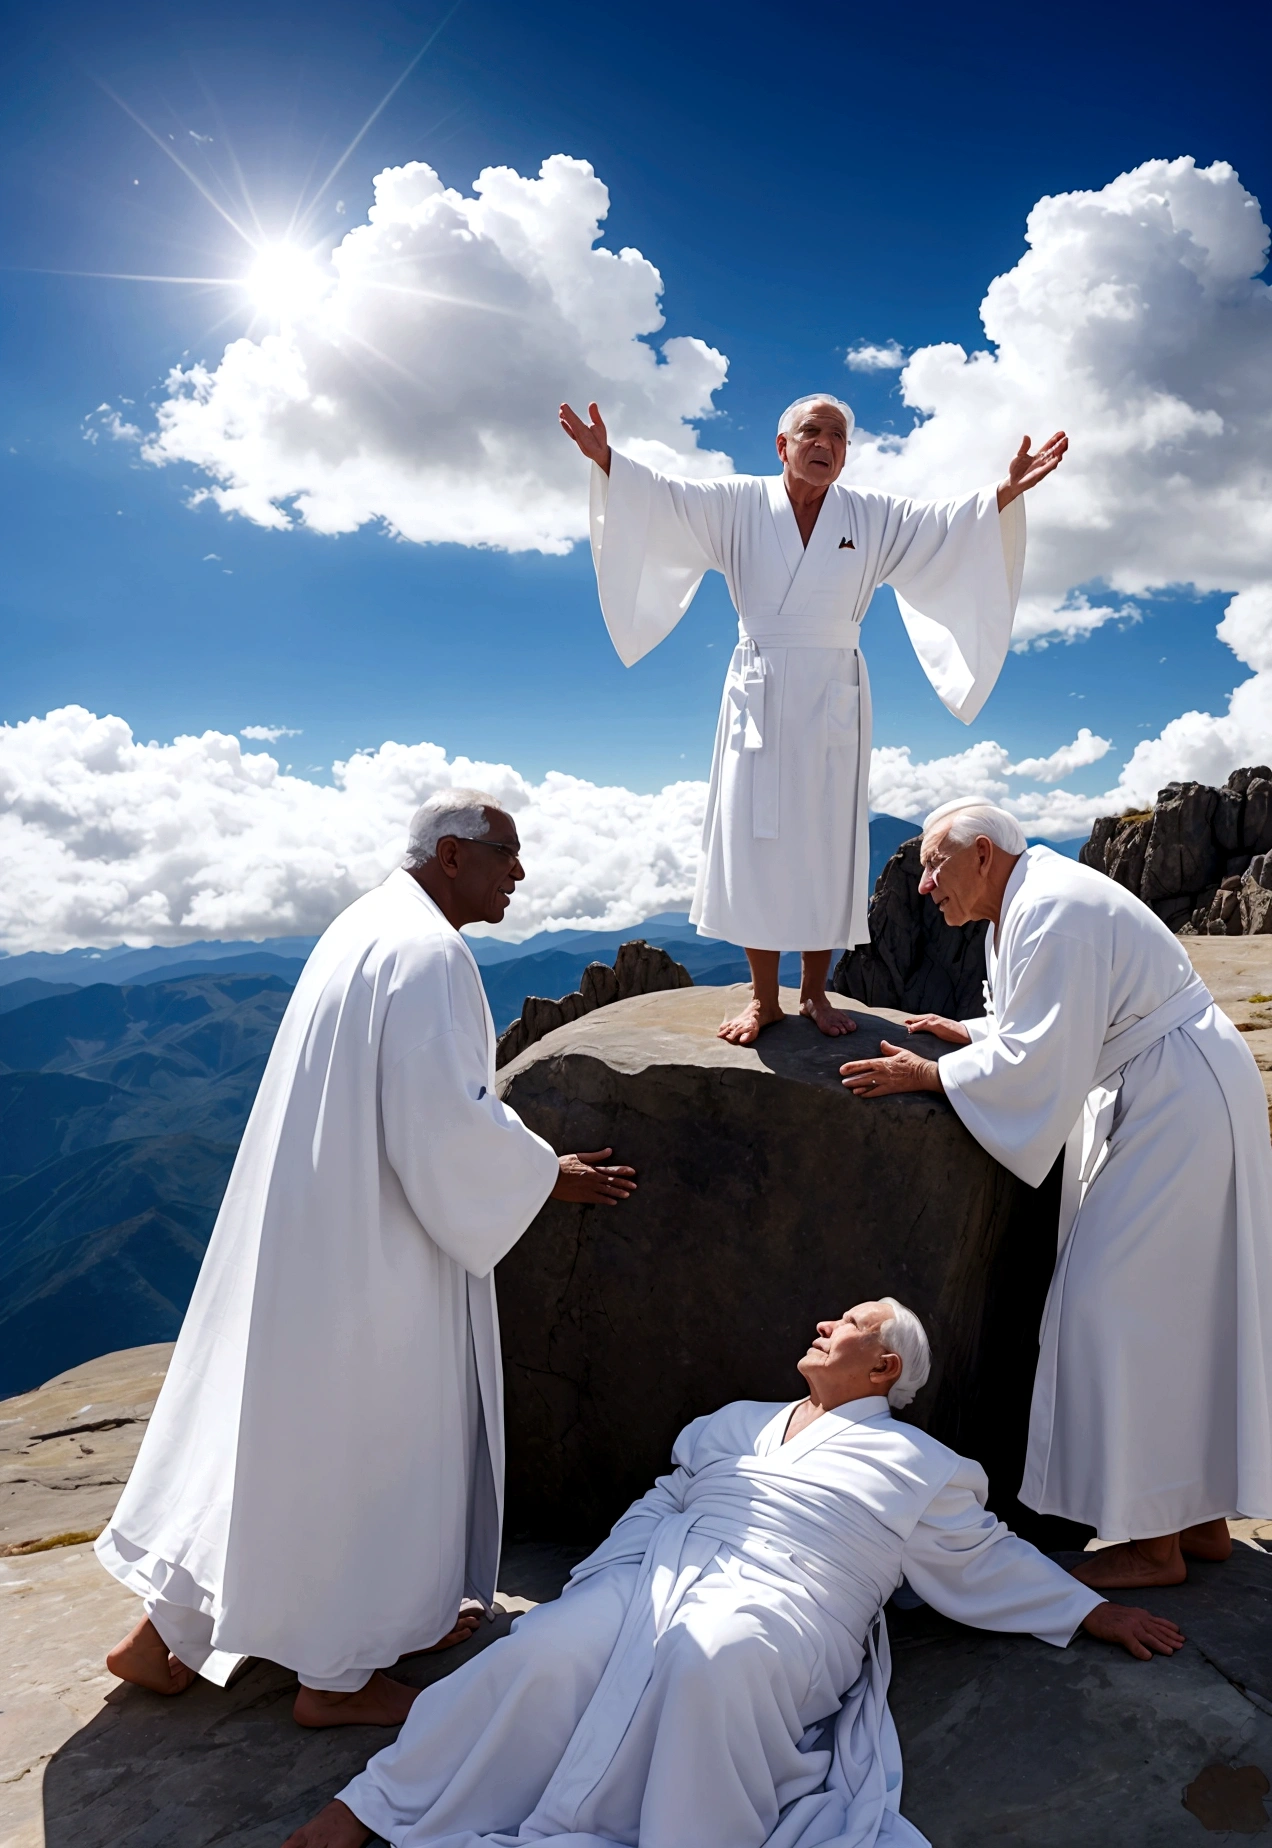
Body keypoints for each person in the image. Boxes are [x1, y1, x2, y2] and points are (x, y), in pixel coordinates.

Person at [97, 791, 637, 1727]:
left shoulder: (363, 925)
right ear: (455, 854)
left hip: (311, 1225)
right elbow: (443, 1125)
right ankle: (337, 1677)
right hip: (376, 1252)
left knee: (276, 1434)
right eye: (507, 853)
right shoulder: (430, 954)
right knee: (374, 1442)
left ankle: (163, 1639)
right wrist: (546, 1174)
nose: (520, 872)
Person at [282, 1298, 1181, 1848]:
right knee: (543, 1650)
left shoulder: (924, 1465)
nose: (822, 1325)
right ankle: (380, 1804)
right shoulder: (734, 1420)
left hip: (795, 1599)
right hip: (661, 1572)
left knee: (712, 1659)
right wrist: (606, 1578)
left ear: (885, 1364)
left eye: (847, 1323)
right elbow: (664, 1497)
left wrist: (1092, 1612)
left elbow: (983, 1557)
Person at [839, 799, 1272, 1589]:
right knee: (1176, 1306)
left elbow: (1041, 1057)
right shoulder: (1029, 901)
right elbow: (1041, 1021)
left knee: (1112, 1306)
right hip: (1172, 1090)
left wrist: (931, 1073)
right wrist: (973, 1032)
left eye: (937, 865)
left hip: (1177, 1100)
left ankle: (1152, 1545)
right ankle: (1199, 1519)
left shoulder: (1051, 907)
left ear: (982, 855)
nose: (926, 885)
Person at [560, 394, 1066, 1046]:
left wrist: (1002, 491)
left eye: (839, 435)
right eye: (812, 431)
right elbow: (666, 502)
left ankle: (815, 992)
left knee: (826, 839)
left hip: (833, 689)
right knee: (755, 836)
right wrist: (608, 460)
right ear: (783, 444)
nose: (826, 442)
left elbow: (943, 527)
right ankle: (764, 998)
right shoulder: (738, 504)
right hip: (760, 687)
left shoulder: (871, 515)